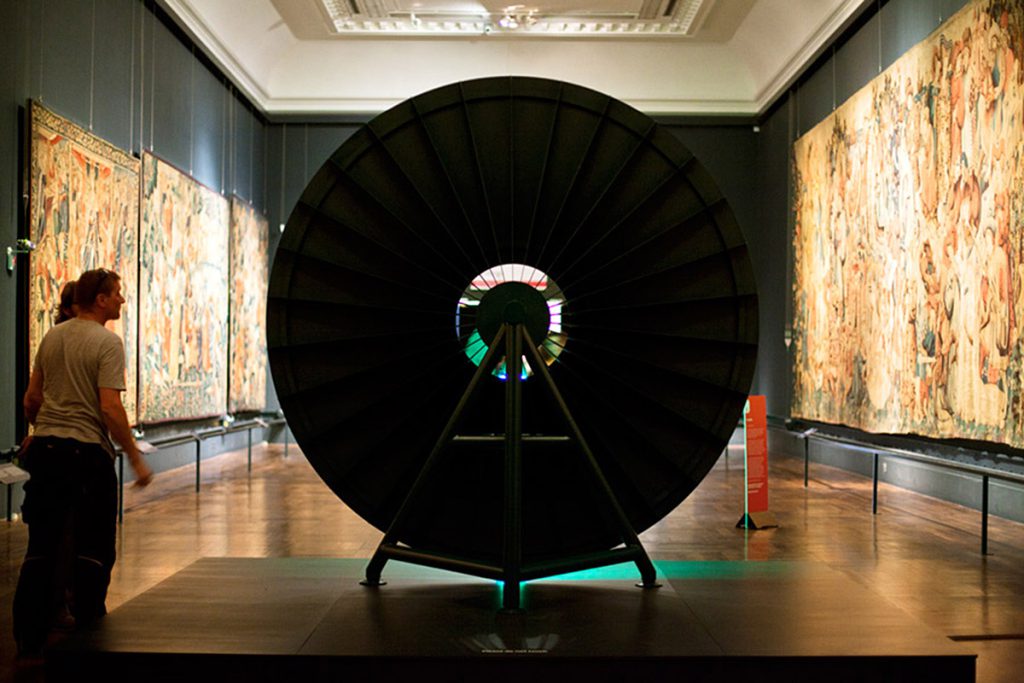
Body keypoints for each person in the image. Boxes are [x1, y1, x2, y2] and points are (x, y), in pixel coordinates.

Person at [13, 268, 153, 657]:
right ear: (101, 300)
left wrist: (41, 429)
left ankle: (28, 640)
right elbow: (109, 407)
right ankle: (89, 639)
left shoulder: (53, 336)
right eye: (117, 293)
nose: (122, 299)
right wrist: (135, 457)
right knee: (93, 549)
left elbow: (32, 398)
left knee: (42, 547)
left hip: (46, 453)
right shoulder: (107, 343)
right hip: (86, 455)